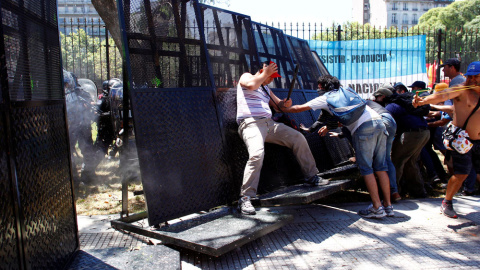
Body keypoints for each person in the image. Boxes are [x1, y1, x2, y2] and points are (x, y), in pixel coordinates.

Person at [284, 75, 393, 218]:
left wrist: (283, 107)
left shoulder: (326, 97)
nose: (318, 89)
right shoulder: (346, 91)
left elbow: (299, 108)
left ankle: (377, 208)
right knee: (381, 167)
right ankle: (388, 206)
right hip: (379, 122)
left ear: (322, 86)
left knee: (366, 168)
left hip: (364, 128)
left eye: (318, 86)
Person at [236, 61, 328, 215]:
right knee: (257, 154)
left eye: (273, 77)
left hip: (269, 124)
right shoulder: (247, 77)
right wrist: (265, 73)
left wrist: (285, 103)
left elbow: (278, 105)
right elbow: (251, 85)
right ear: (262, 71)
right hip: (251, 122)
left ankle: (311, 176)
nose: (272, 79)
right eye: (271, 76)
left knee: (298, 138)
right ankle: (245, 197)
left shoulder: (266, 88)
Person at [413, 61, 480, 218]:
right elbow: (443, 95)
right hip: (463, 141)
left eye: (476, 77)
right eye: (470, 76)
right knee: (461, 174)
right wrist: (424, 101)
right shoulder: (461, 89)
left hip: (478, 142)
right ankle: (447, 202)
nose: (472, 80)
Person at [385, 83, 430, 198]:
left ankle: (393, 192)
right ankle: (418, 191)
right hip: (424, 132)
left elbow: (385, 121)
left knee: (397, 161)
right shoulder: (406, 101)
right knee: (410, 161)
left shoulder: (392, 105)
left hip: (411, 134)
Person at [372, 87, 400, 202]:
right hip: (392, 124)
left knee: (379, 160)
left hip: (382, 122)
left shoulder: (386, 106)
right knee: (387, 159)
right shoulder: (394, 105)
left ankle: (384, 194)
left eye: (376, 97)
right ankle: (394, 191)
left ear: (382, 96)